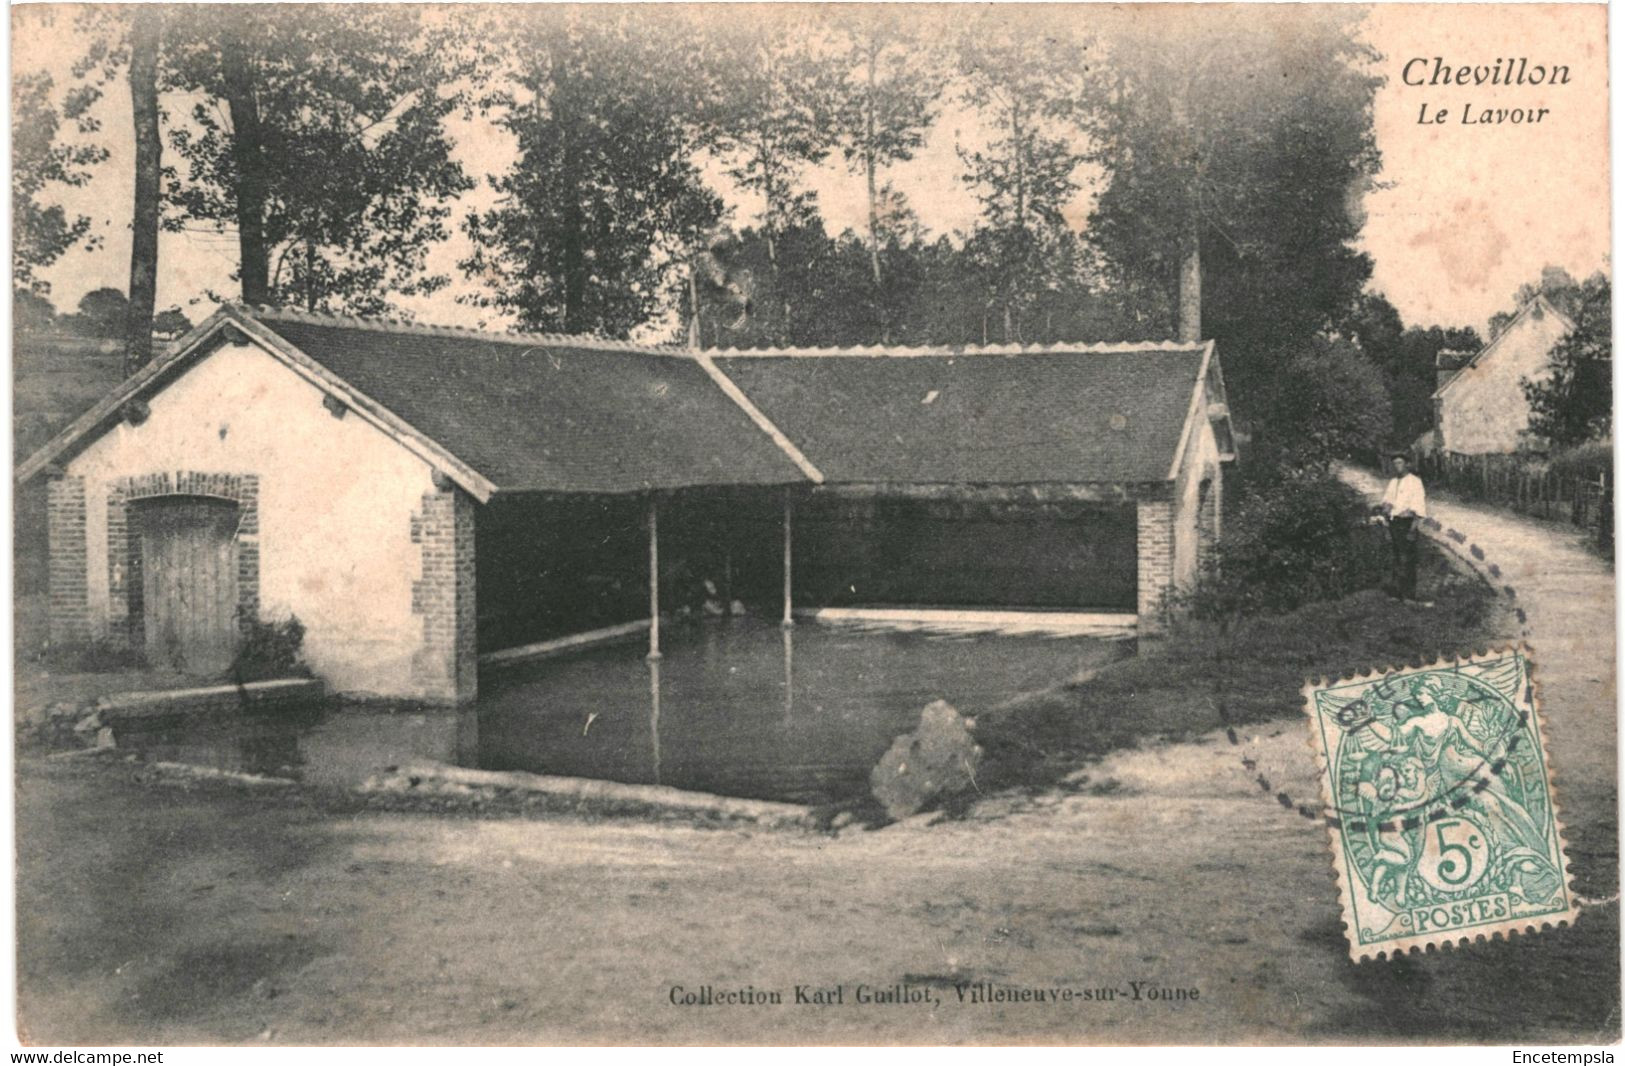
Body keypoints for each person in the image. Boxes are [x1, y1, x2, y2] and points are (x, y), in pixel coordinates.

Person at [1376, 452, 1428, 603]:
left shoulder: (1415, 482)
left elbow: (1419, 506)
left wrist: (1413, 528)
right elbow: (1387, 500)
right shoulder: (1393, 482)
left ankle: (1409, 595)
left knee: (1408, 559)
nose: (1397, 466)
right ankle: (1396, 593)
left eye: (1400, 463)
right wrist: (1385, 507)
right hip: (1394, 523)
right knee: (1397, 557)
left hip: (1407, 524)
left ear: (1407, 464)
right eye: (1395, 463)